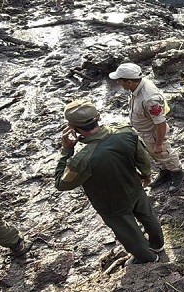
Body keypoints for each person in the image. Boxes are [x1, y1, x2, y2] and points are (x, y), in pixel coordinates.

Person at [56, 100, 163, 264]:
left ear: (72, 127)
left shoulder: (82, 158)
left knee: (129, 232)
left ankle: (148, 258)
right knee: (148, 217)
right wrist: (146, 175)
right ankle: (158, 245)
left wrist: (66, 150)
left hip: (110, 203)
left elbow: (61, 184)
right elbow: (142, 158)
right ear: (98, 117)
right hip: (134, 186)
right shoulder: (126, 132)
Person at [109, 63, 184, 187]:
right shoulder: (136, 87)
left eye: (120, 80)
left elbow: (160, 122)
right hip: (145, 131)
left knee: (164, 153)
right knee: (155, 154)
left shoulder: (149, 99)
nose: (118, 83)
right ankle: (165, 172)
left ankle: (177, 173)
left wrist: (159, 143)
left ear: (129, 82)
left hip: (153, 132)